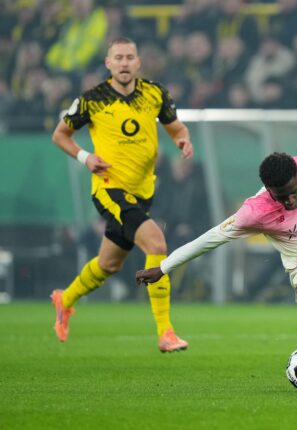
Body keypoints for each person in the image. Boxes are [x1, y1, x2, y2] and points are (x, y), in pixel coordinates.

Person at [135, 126, 297, 367]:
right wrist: (164, 267)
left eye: (293, 192)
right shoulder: (254, 212)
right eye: (281, 196)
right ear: (269, 189)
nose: (290, 200)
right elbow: (209, 239)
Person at [50, 37, 194, 353]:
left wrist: (182, 140)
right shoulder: (92, 99)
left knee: (109, 264)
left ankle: (65, 299)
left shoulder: (155, 93)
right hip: (110, 189)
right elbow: (60, 135)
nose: (125, 63)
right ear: (108, 63)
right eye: (118, 57)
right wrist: (85, 157)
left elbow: (176, 128)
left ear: (138, 62)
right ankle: (166, 332)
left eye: (130, 57)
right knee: (157, 244)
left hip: (143, 192)